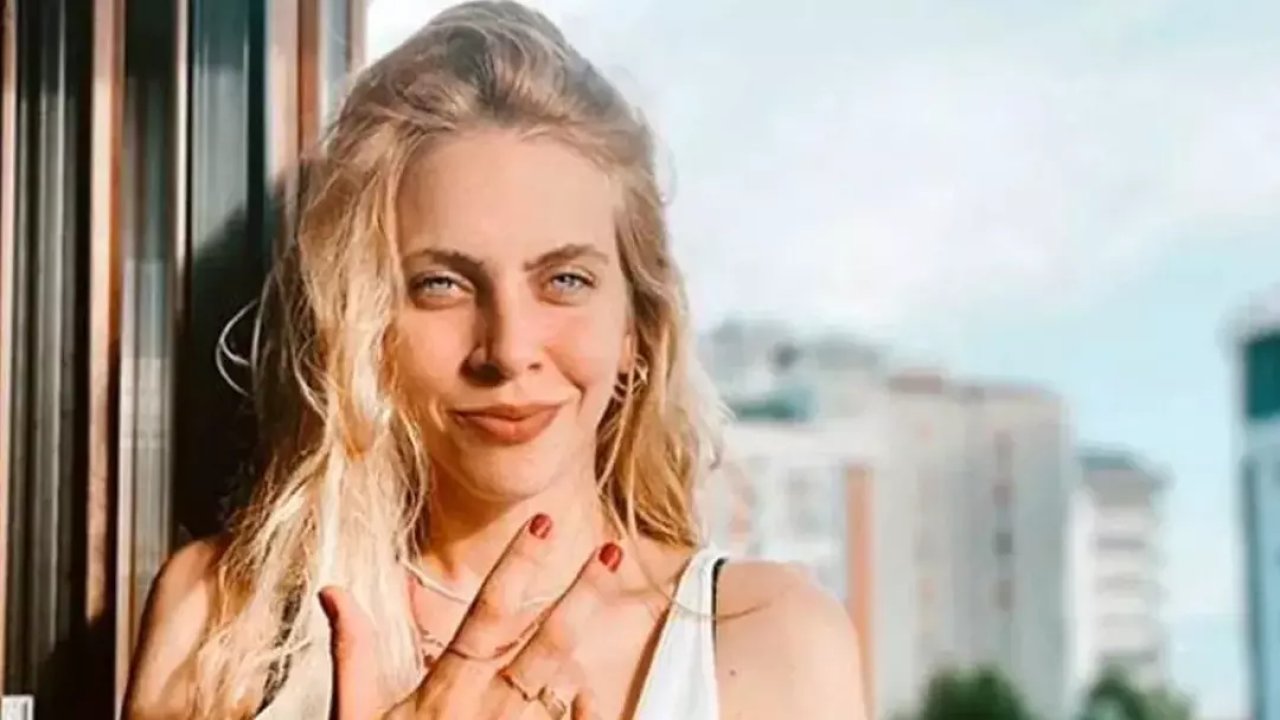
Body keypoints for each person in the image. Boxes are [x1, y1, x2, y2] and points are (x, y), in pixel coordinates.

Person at [122, 2, 867, 718]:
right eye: (441, 285)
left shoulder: (772, 641)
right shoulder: (223, 625)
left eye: (565, 280)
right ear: (365, 326)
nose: (508, 350)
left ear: (635, 330)